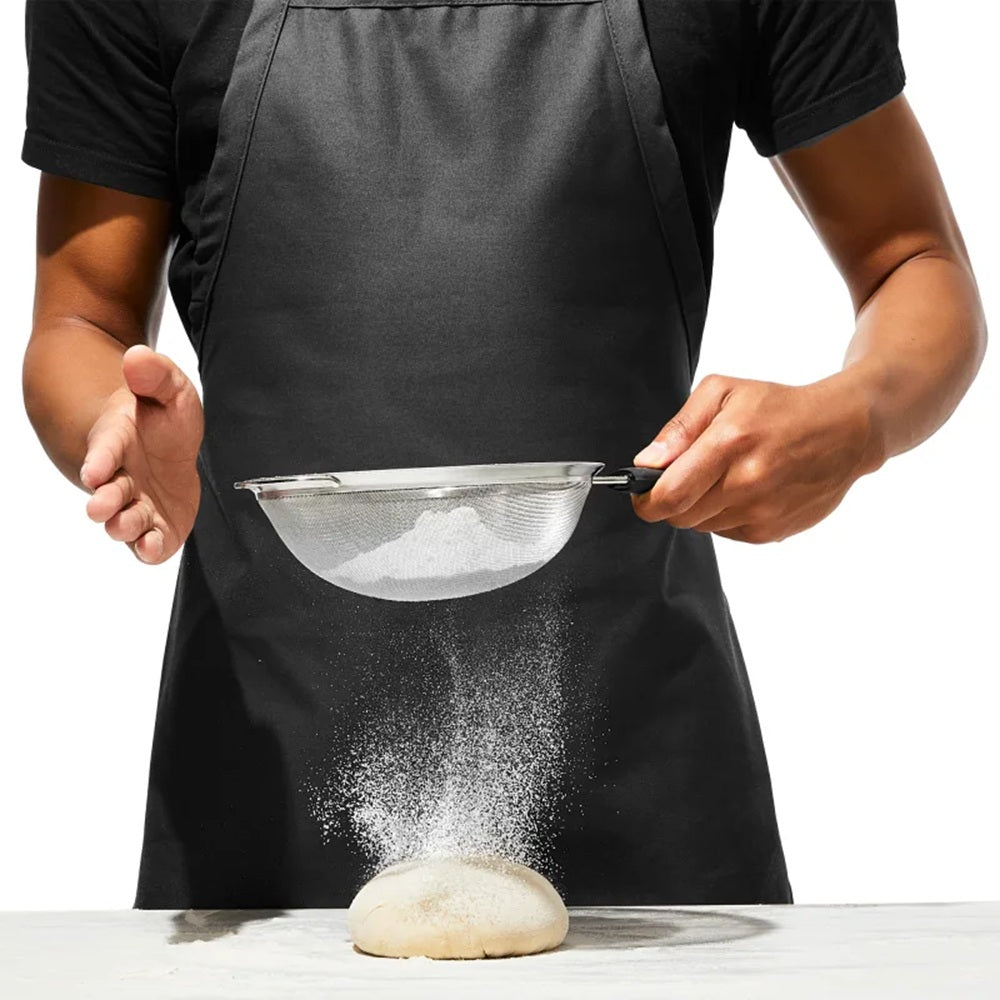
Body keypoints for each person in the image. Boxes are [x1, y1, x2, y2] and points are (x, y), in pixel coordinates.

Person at [21, 0, 985, 909]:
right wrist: (114, 417)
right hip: (264, 783)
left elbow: (913, 259)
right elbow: (79, 319)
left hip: (648, 779)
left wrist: (856, 418)